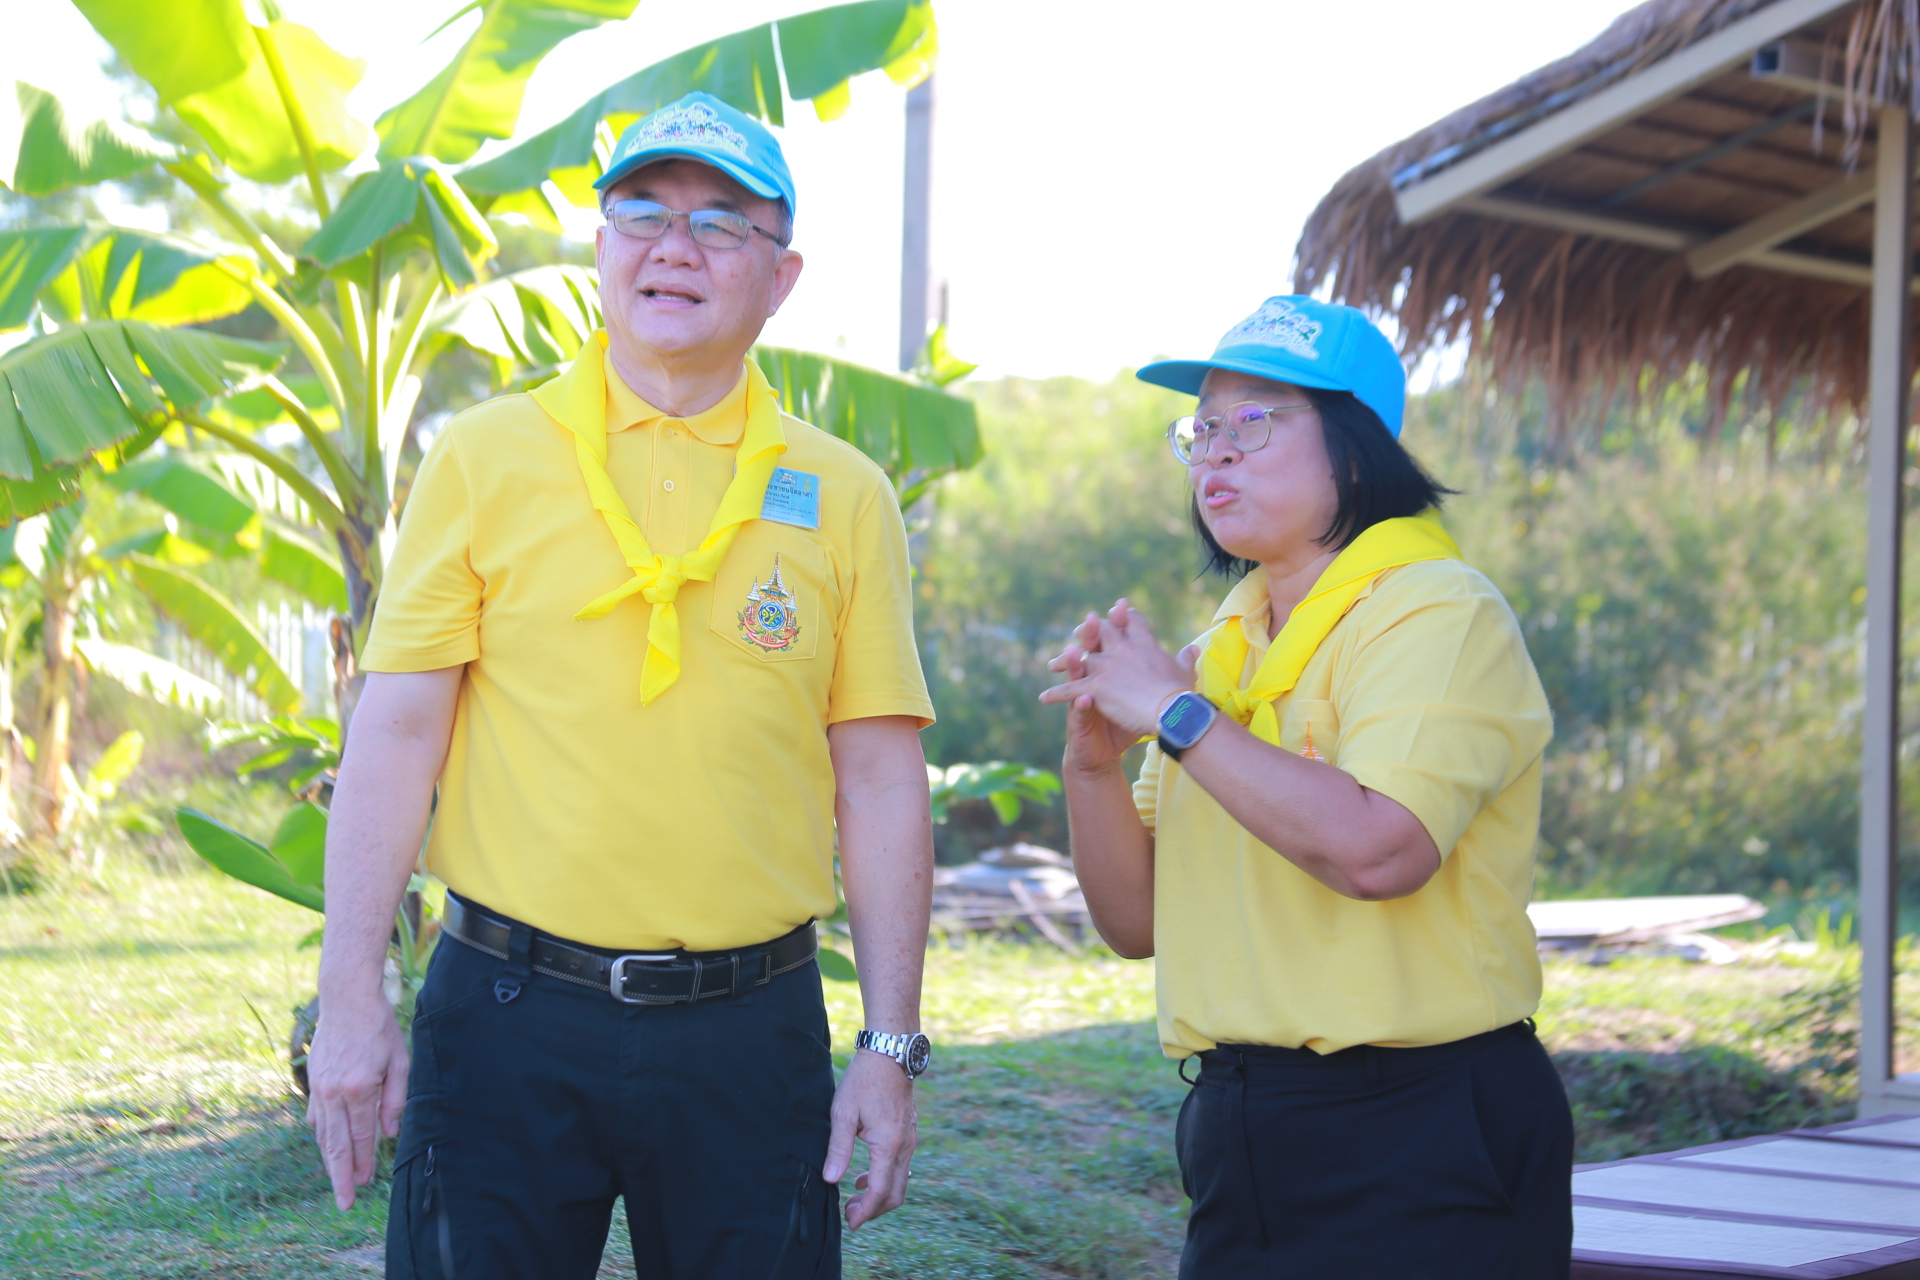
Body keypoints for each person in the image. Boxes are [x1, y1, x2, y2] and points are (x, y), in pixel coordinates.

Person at [304, 91, 938, 1280]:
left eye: (719, 223)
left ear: (782, 275)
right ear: (601, 250)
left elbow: (882, 775)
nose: (673, 246)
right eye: (640, 211)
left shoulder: (843, 492)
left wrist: (891, 1044)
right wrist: (350, 1003)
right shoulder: (486, 456)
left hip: (753, 1028)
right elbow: (394, 733)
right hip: (502, 1015)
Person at [1040, 296, 1572, 1278]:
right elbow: (1137, 919)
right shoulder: (1224, 644)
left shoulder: (1439, 611)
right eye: (1201, 429)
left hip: (1423, 1125)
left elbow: (1381, 849)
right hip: (1241, 1120)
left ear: (1358, 453)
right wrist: (1093, 764)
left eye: (1255, 423)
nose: (1216, 454)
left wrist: (1177, 714)